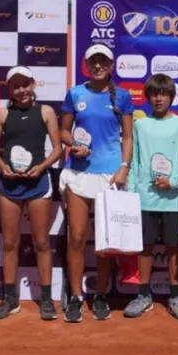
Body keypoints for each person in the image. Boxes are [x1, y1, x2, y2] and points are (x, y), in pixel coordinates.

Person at [59, 43, 134, 323]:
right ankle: (77, 298)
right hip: (78, 173)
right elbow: (64, 131)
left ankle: (100, 295)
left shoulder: (123, 97)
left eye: (104, 61)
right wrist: (74, 145)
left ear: (111, 65)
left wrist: (124, 167)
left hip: (110, 174)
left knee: (105, 242)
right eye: (94, 61)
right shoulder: (75, 93)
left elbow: (128, 137)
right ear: (87, 65)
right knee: (77, 237)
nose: (98, 66)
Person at [0, 66, 62, 320]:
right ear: (10, 89)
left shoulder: (46, 111)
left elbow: (58, 149)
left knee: (41, 242)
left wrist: (41, 167)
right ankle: (10, 298)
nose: (22, 90)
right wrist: (3, 166)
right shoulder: (2, 114)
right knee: (9, 243)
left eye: (25, 84)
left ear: (33, 84)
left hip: (38, 184)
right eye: (16, 86)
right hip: (9, 185)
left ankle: (47, 298)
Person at [122, 74, 178, 320]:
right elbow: (135, 161)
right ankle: (144, 294)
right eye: (154, 94)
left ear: (172, 96)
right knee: (145, 248)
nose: (158, 98)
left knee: (173, 248)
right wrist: (132, 194)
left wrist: (173, 181)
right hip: (145, 199)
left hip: (173, 199)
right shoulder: (140, 125)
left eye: (163, 93)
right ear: (148, 97)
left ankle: (175, 294)